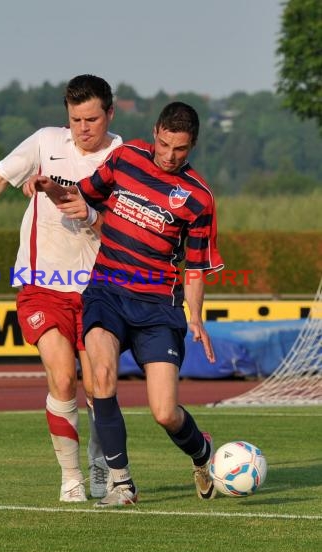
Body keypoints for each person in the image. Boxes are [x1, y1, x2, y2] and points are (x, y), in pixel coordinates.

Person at [0, 74, 123, 503]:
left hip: (97, 289)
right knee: (61, 377)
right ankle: (71, 477)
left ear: (110, 113)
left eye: (92, 118)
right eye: (75, 119)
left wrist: (91, 215)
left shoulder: (124, 158)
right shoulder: (44, 142)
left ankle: (99, 465)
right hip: (42, 285)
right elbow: (0, 176)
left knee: (98, 387)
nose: (83, 128)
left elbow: (126, 228)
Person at [32, 101, 224, 507]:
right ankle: (121, 482)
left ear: (193, 147)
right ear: (155, 131)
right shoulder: (126, 158)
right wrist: (50, 187)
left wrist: (197, 318)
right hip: (107, 292)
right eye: (165, 144)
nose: (170, 156)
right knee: (99, 375)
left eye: (181, 150)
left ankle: (201, 452)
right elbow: (81, 195)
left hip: (158, 307)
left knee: (165, 412)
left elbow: (194, 267)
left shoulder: (199, 198)